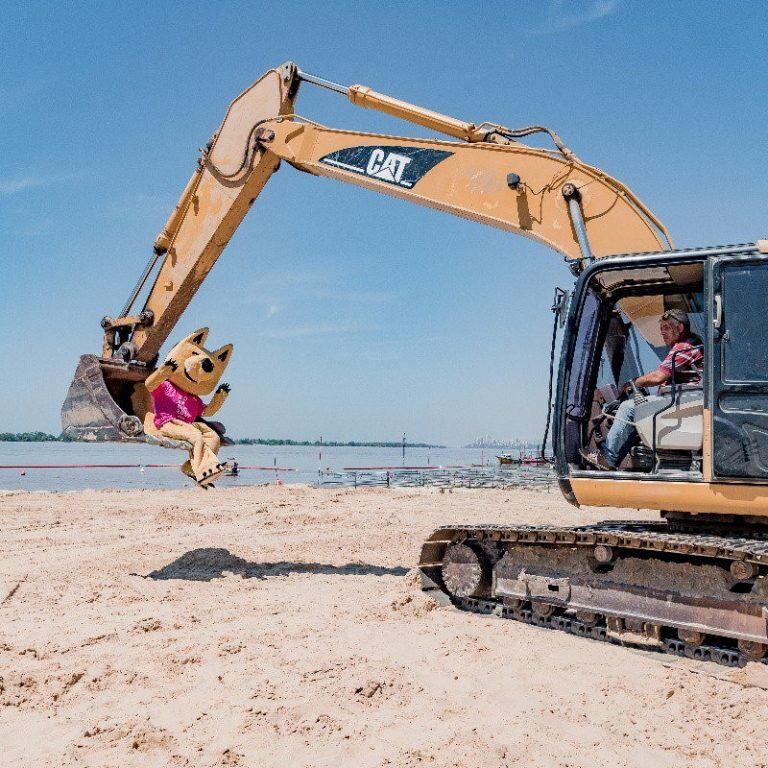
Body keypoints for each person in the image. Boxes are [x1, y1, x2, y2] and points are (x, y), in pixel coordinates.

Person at [580, 309, 703, 471]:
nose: (662, 332)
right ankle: (617, 462)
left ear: (680, 328)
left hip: (683, 403)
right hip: (684, 401)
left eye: (667, 327)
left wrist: (632, 383)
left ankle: (608, 458)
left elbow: (658, 377)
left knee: (628, 408)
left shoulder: (684, 347)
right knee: (638, 411)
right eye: (662, 328)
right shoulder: (692, 344)